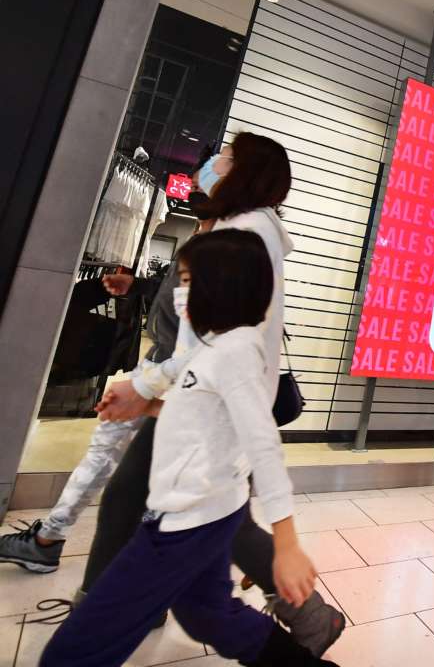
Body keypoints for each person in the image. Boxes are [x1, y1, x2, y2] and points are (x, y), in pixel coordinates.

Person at [77, 134, 343, 656]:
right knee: (210, 528)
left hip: (206, 396)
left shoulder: (248, 232)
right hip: (196, 390)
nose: (211, 164)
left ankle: (101, 615)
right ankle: (304, 618)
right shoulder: (235, 225)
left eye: (223, 157)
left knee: (137, 499)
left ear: (242, 171)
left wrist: (149, 388)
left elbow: (220, 333)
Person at [40, 230, 336, 666]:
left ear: (225, 286)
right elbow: (197, 402)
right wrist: (144, 397)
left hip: (185, 524)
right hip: (208, 510)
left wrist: (288, 546)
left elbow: (264, 449)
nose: (180, 293)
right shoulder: (212, 344)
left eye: (189, 281)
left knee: (76, 649)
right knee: (208, 615)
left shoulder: (235, 353)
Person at [0, 184, 212, 575]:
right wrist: (139, 287)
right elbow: (177, 298)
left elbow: (209, 332)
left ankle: (141, 577)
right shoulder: (204, 236)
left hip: (179, 377)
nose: (203, 176)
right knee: (114, 456)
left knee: (153, 479)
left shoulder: (228, 248)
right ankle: (50, 538)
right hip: (161, 366)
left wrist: (152, 390)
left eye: (222, 165)